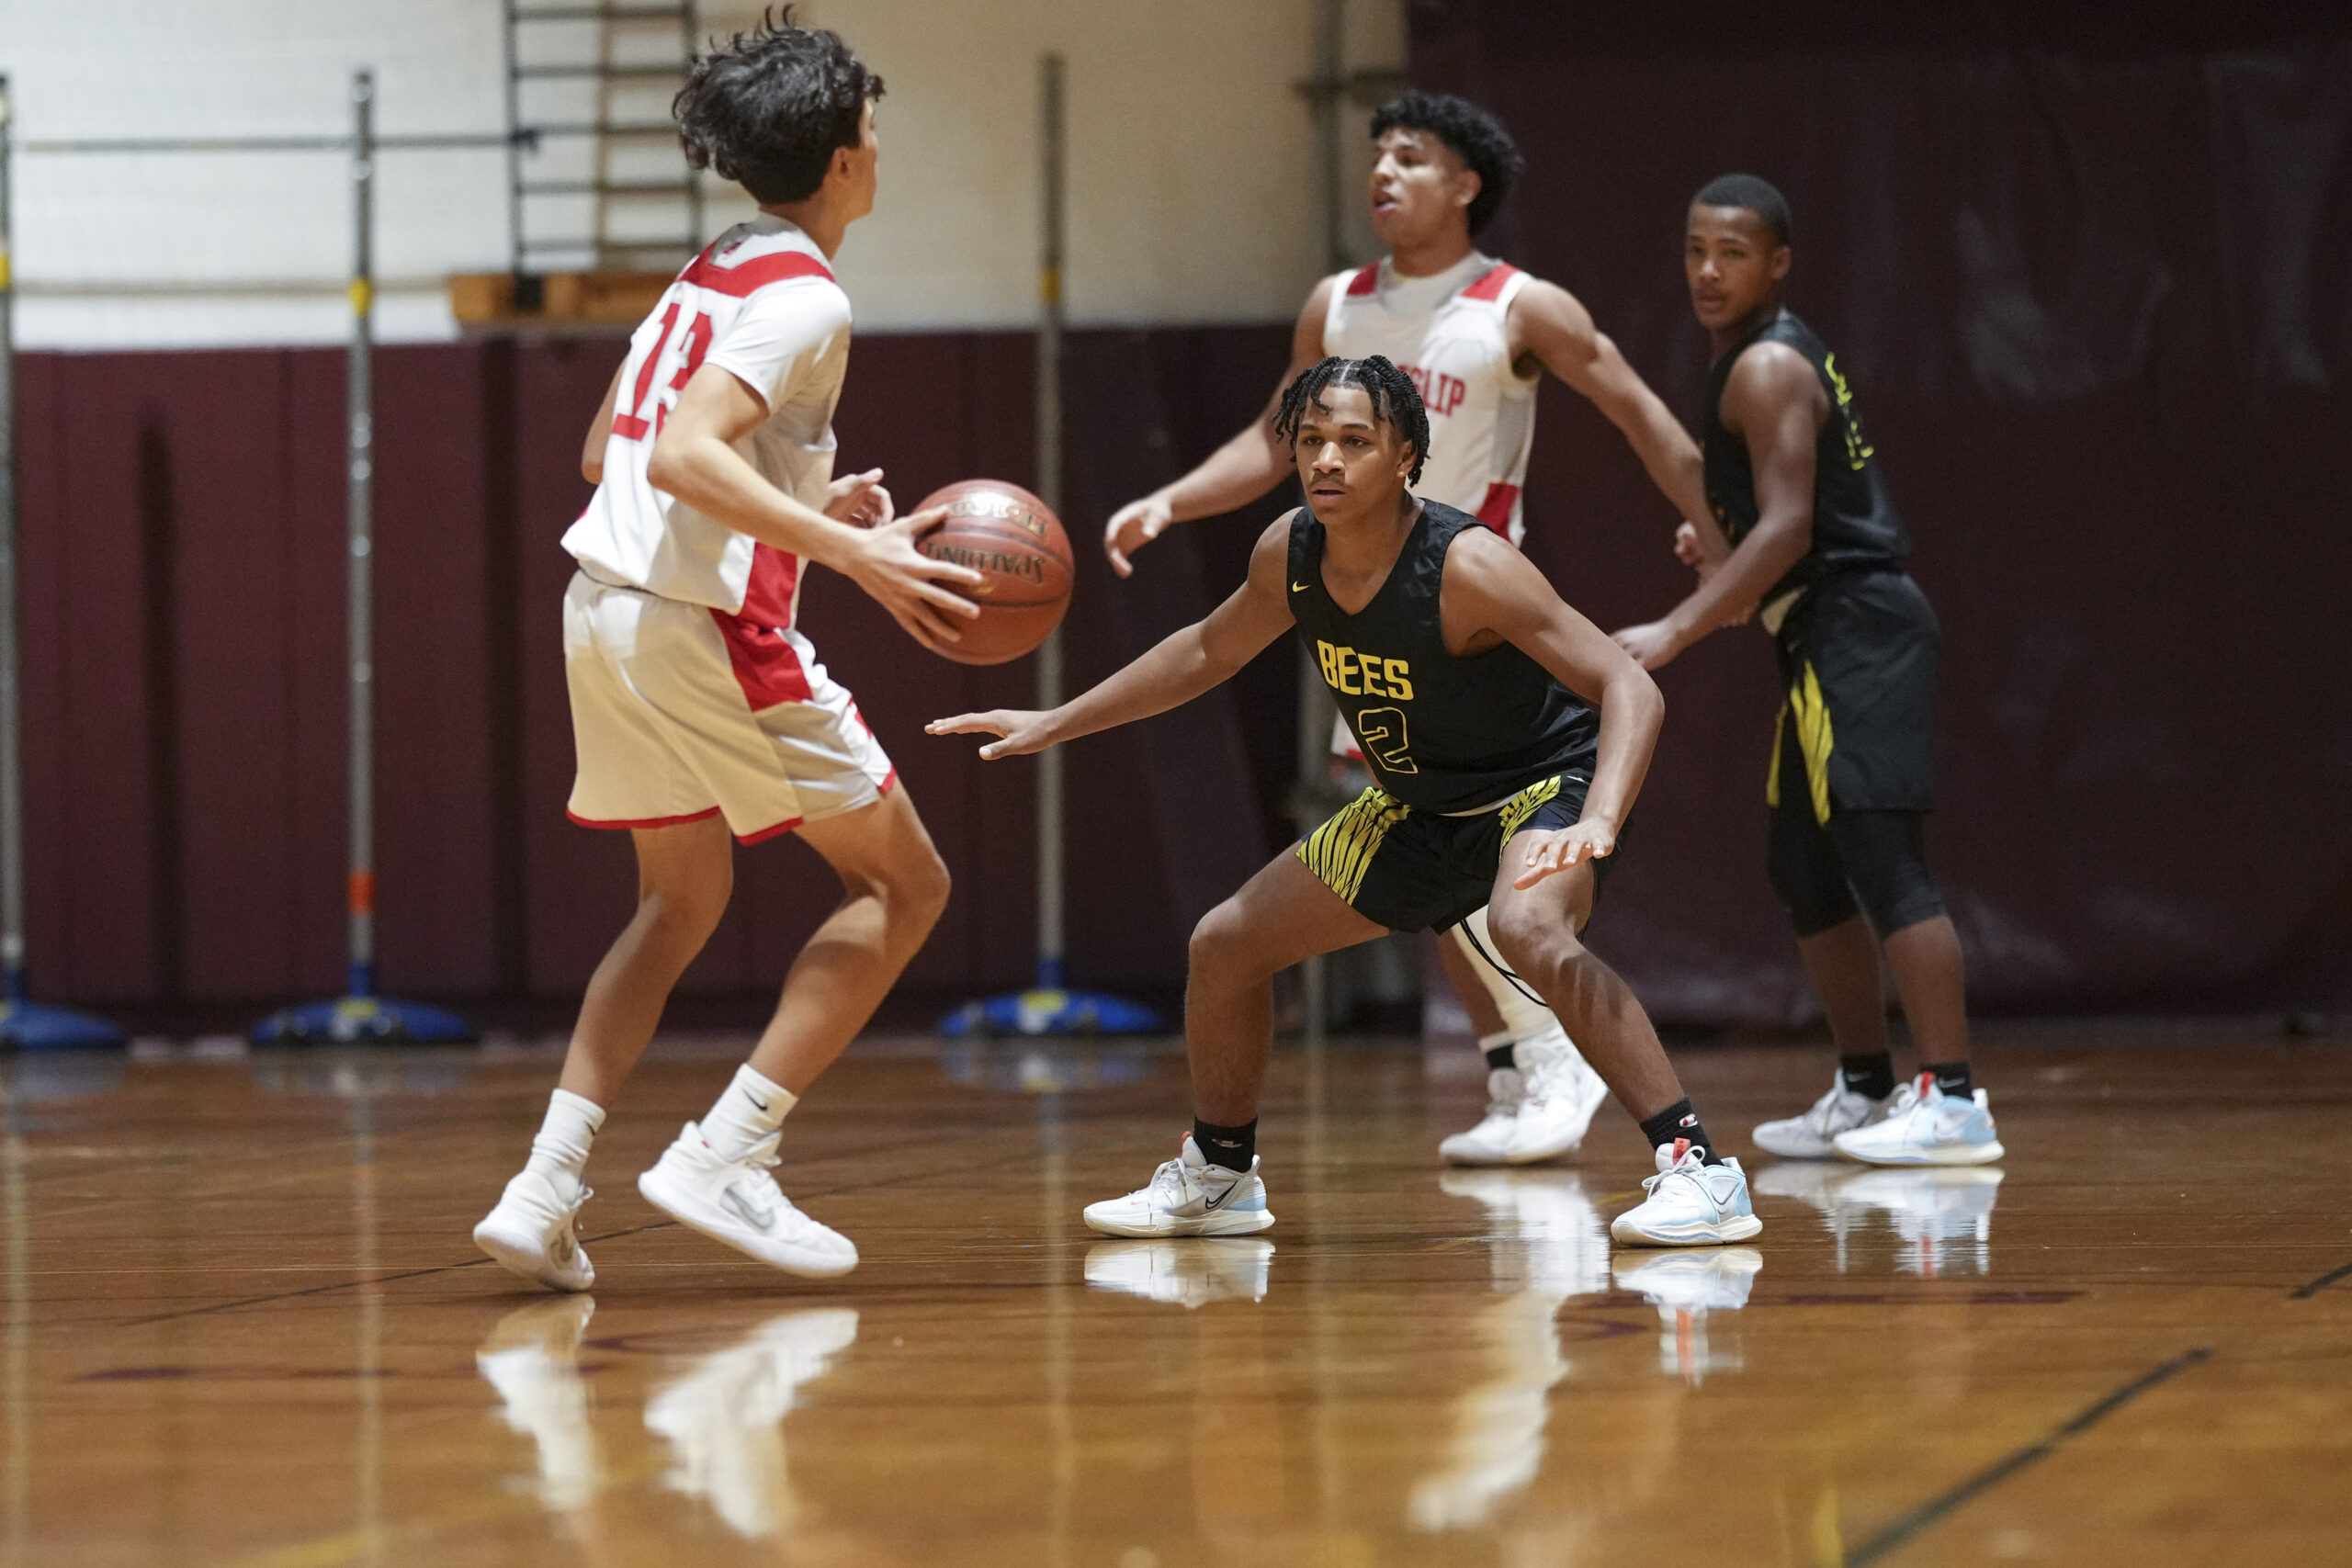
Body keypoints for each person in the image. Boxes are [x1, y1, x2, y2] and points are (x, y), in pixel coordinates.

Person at [936, 356, 1761, 1247]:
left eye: (1354, 442)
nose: (1326, 459)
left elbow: (1627, 687)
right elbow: (1205, 652)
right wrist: (1057, 720)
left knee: (1525, 928)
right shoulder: (1288, 550)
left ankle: (1699, 1170)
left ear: (1405, 455)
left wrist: (1597, 818)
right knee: (1225, 944)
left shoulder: (1469, 565)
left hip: (1537, 786)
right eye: (1311, 440)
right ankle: (1219, 1175)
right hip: (1416, 804)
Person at [1101, 93, 1716, 1168]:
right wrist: (1174, 502)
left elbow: (1635, 411)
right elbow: (1265, 435)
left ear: (1466, 184)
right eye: (1376, 155)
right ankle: (1512, 1068)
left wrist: (1710, 523)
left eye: (1411, 157)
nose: (1382, 171)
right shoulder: (1334, 306)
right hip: (1362, 611)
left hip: (1470, 607)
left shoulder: (1518, 305)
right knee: (1421, 853)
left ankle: (1574, 1073)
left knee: (1497, 878)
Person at [472, 10, 987, 1292]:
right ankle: (729, 1149)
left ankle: (543, 1186)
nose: (879, 146)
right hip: (703, 624)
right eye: (872, 130)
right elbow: (678, 453)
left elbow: (610, 445)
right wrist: (852, 553)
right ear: (845, 159)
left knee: (679, 900)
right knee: (905, 887)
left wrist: (820, 504)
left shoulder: (720, 263)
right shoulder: (811, 294)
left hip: (602, 604)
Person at [1611, 175, 2000, 1168]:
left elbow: (1790, 529)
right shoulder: (1749, 359)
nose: (1707, 269)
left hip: (1858, 627)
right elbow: (1778, 524)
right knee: (1804, 865)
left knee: (1881, 861)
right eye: (1696, 248)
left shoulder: (1768, 367)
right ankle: (1867, 1090)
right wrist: (1725, 552)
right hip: (1820, 631)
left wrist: (1674, 629)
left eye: (1732, 252)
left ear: (1777, 263)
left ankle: (1952, 1101)